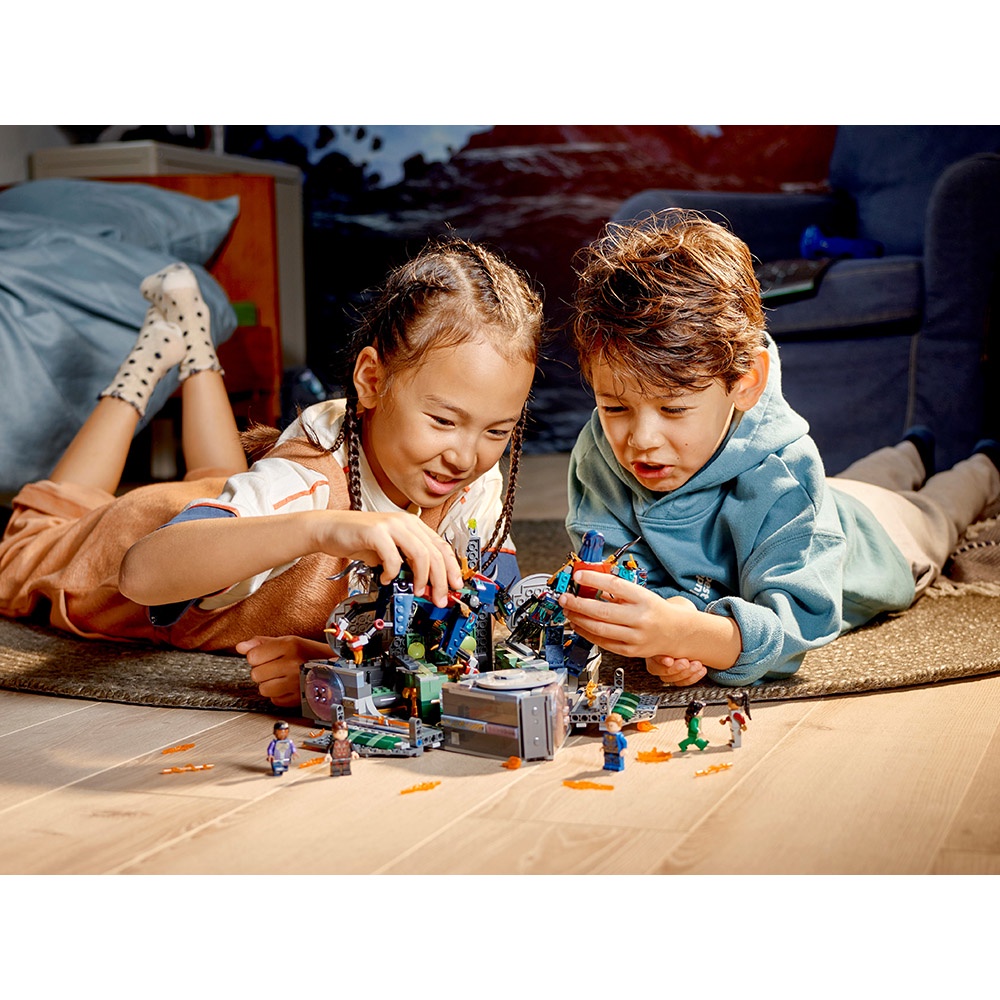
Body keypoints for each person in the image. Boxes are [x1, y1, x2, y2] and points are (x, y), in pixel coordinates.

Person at [0, 239, 543, 707]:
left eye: (498, 430)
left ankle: (191, 338)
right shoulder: (303, 485)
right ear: (372, 381)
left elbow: (493, 620)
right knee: (45, 519)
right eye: (443, 421)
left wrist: (334, 657)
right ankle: (144, 363)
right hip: (135, 537)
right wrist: (325, 527)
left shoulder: (467, 479)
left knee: (222, 475)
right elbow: (140, 575)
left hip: (232, 506)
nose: (465, 456)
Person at [557, 210, 1000, 688]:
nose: (640, 439)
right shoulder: (599, 454)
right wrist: (670, 625)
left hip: (877, 538)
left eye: (673, 409)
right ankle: (912, 451)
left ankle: (986, 466)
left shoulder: (785, 474)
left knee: (936, 509)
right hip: (824, 496)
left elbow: (797, 623)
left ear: (746, 383)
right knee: (853, 482)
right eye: (615, 408)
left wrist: (689, 634)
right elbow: (624, 574)